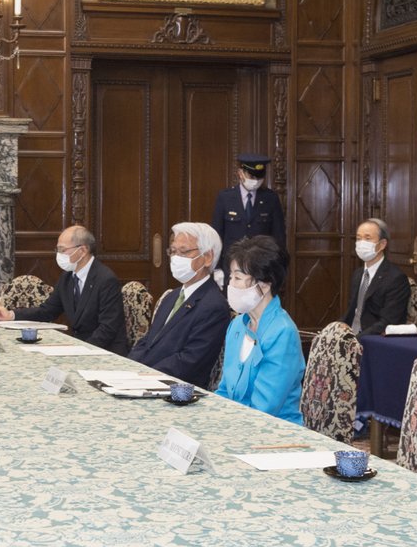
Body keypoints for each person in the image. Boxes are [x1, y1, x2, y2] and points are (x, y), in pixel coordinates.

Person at [0, 225, 127, 354]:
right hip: (80, 348)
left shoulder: (106, 280)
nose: (59, 255)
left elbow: (108, 328)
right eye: (57, 250)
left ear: (82, 250)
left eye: (62, 250)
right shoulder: (67, 278)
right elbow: (47, 311)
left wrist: (82, 350)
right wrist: (11, 315)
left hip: (105, 351)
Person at [212, 235, 304, 424]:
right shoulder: (237, 325)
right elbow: (224, 389)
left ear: (264, 284)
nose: (230, 284)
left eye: (238, 277)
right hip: (236, 425)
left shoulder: (282, 332)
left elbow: (264, 408)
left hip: (274, 431)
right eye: (231, 277)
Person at [127, 222, 229, 388]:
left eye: (184, 252)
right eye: (173, 251)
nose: (176, 258)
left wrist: (145, 376)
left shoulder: (213, 306)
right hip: (144, 379)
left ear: (207, 257)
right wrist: (128, 368)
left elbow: (190, 360)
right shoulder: (171, 296)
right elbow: (147, 341)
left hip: (175, 389)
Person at [210, 154, 286, 280]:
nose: (255, 181)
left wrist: (276, 268)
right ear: (240, 173)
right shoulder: (225, 198)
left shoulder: (271, 198)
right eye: (251, 176)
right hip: (231, 266)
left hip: (260, 266)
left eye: (259, 177)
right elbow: (216, 235)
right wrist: (216, 267)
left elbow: (278, 236)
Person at [340, 218, 411, 335]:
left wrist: (356, 339)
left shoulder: (396, 278)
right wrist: (337, 329)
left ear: (382, 244)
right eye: (358, 238)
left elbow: (388, 322)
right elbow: (352, 311)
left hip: (374, 339)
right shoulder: (358, 274)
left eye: (367, 238)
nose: (361, 243)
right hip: (352, 334)